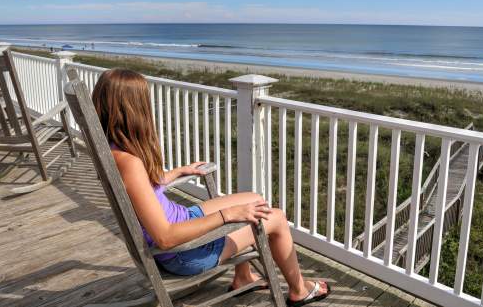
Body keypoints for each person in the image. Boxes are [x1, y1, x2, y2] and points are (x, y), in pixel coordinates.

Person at [91, 68, 330, 306]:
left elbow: (141, 189)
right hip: (183, 252)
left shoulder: (114, 151)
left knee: (253, 199)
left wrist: (175, 173)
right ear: (134, 109)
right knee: (276, 218)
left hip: (182, 220)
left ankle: (243, 278)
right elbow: (164, 237)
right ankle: (299, 290)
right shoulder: (130, 162)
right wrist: (226, 216)